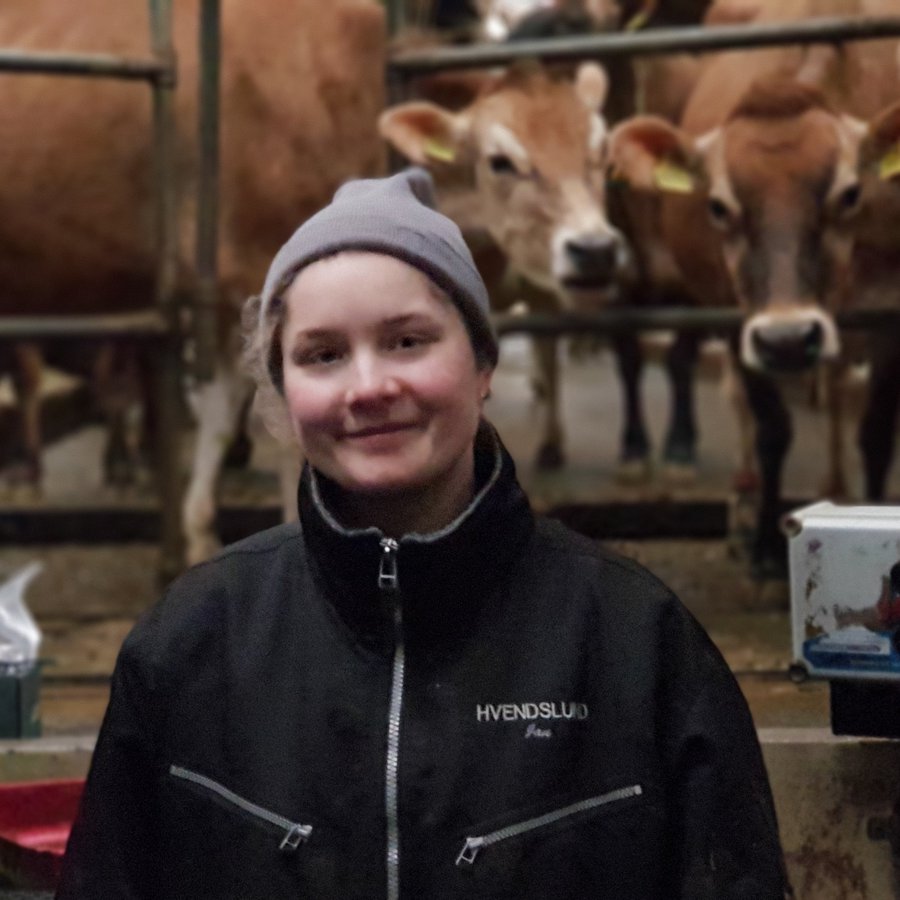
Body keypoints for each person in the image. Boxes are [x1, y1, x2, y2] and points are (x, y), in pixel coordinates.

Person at [57, 168, 790, 899]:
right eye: (322, 354)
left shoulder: (636, 643)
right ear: (283, 391)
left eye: (408, 341)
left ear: (482, 366)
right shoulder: (188, 644)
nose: (369, 386)